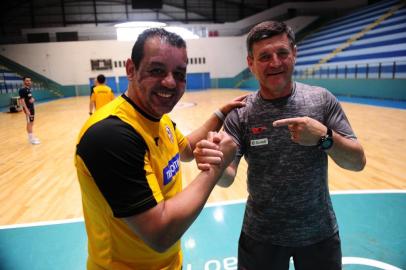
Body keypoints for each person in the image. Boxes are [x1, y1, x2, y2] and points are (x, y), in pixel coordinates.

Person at [195, 21, 366, 270]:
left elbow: (358, 162)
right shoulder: (241, 114)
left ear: (294, 54)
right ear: (250, 63)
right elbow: (227, 178)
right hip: (261, 236)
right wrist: (216, 162)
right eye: (264, 56)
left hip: (319, 233)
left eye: (282, 53)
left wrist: (324, 137)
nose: (275, 63)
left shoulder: (321, 100)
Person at [75, 28, 245, 270]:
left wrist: (220, 114)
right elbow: (160, 234)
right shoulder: (110, 135)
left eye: (179, 74)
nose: (170, 82)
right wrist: (217, 167)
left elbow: (185, 150)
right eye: (157, 70)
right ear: (131, 69)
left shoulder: (158, 117)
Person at [19, 76, 40, 144]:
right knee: (29, 123)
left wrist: (33, 99)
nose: (28, 82)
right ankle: (31, 139)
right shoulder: (22, 90)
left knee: (32, 122)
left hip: (31, 108)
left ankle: (31, 137)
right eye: (27, 80)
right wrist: (26, 109)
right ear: (24, 81)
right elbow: (22, 100)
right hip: (28, 109)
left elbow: (29, 98)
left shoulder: (28, 89)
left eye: (29, 80)